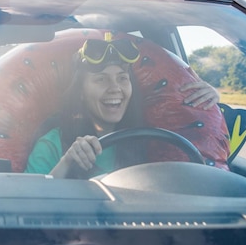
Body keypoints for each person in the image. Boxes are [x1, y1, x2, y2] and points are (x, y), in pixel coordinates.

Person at [24, 34, 219, 179]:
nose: (115, 88)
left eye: (122, 78)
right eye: (101, 79)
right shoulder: (52, 145)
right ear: (80, 93)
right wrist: (66, 163)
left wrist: (210, 107)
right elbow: (28, 204)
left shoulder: (154, 138)